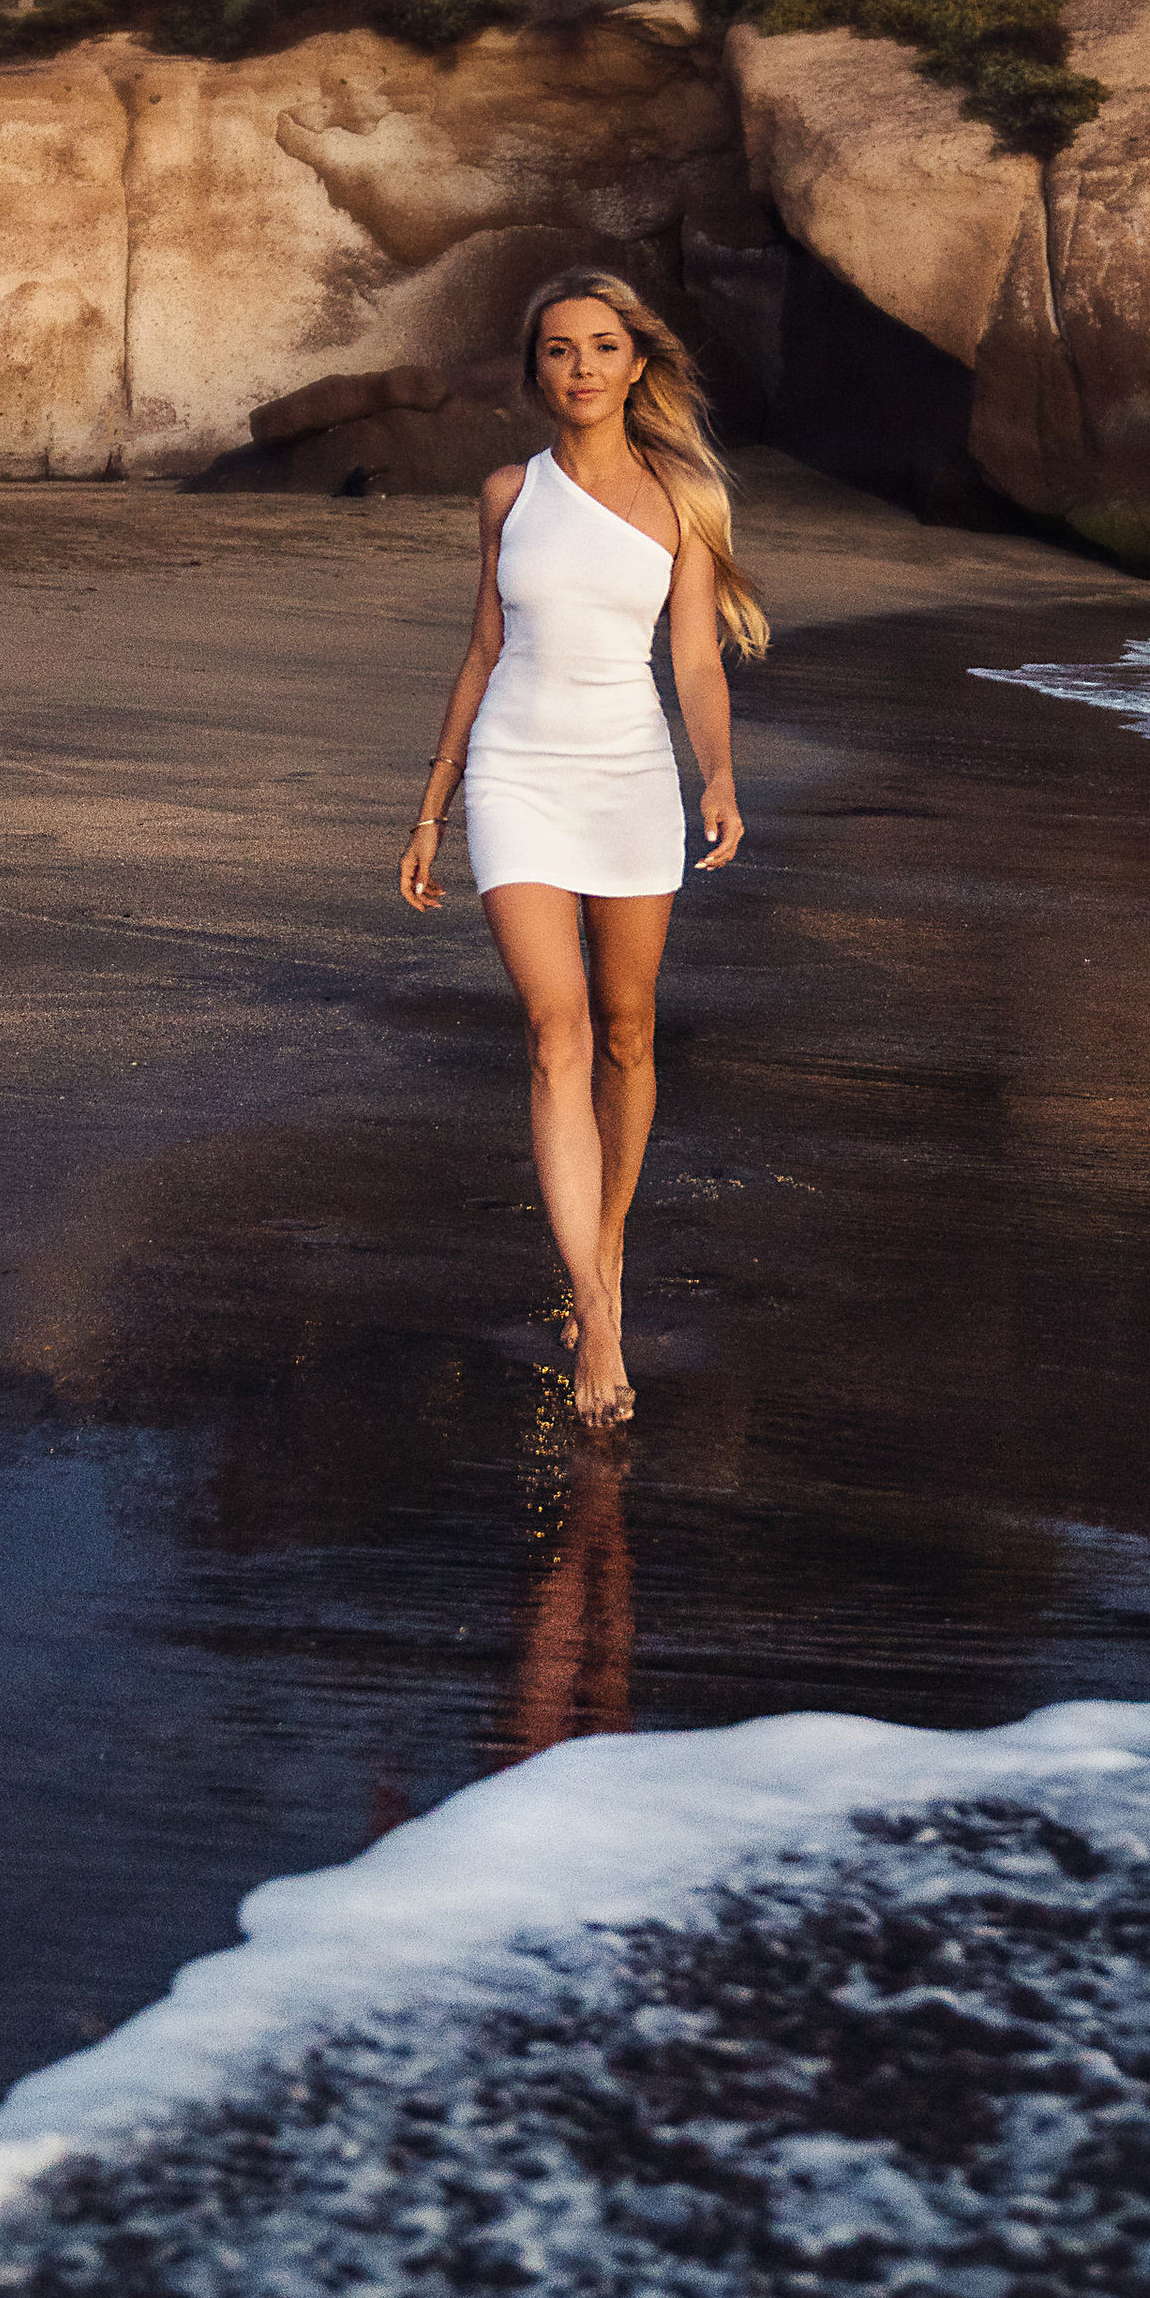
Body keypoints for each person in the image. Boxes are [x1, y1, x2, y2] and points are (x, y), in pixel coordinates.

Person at [398, 272, 770, 1431]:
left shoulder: (682, 495)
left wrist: (717, 774)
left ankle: (603, 1245)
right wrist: (432, 807)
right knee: (555, 1032)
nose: (581, 369)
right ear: (536, 370)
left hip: (627, 779)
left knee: (625, 1031)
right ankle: (597, 1315)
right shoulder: (509, 493)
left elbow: (695, 660)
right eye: (558, 350)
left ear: (635, 362)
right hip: (515, 772)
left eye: (602, 347)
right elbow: (483, 646)